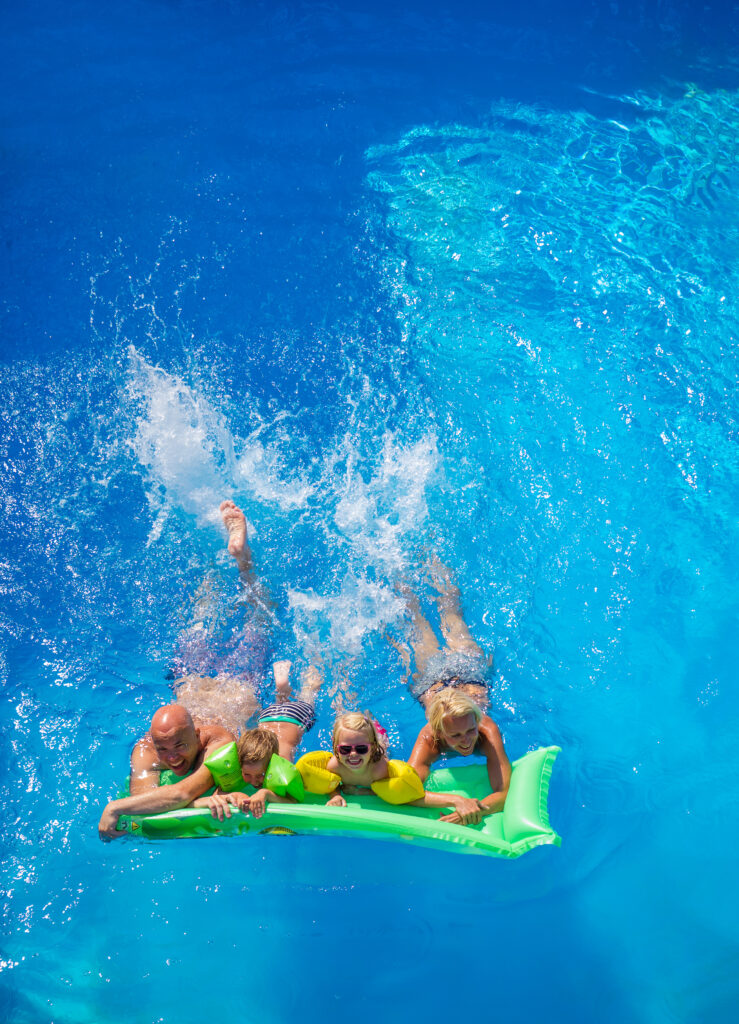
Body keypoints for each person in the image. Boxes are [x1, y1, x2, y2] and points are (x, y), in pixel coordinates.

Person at [97, 499, 272, 840]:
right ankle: (213, 560)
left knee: (259, 617)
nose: (172, 757)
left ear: (196, 734)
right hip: (192, 682)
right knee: (201, 620)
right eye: (164, 748)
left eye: (179, 745)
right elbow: (144, 806)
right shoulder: (146, 749)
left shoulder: (218, 740)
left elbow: (179, 793)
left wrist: (114, 808)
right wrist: (199, 803)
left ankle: (243, 559)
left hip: (238, 687)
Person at [392, 556, 493, 711]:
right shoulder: (481, 724)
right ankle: (414, 566)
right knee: (419, 620)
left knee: (441, 613)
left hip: (449, 680)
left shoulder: (482, 721)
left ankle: (423, 562)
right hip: (443, 684)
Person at [407, 689, 511, 824]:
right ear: (439, 733)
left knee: (477, 693)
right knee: (427, 694)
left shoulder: (487, 732)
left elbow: (504, 793)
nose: (466, 741)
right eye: (455, 735)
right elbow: (406, 791)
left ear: (477, 721)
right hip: (429, 688)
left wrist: (469, 812)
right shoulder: (429, 741)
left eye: (471, 730)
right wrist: (456, 800)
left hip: (473, 686)